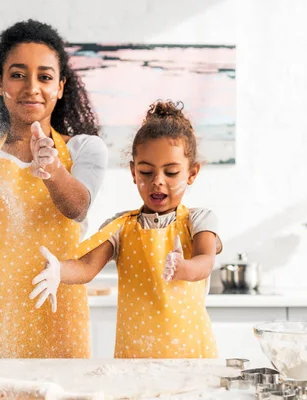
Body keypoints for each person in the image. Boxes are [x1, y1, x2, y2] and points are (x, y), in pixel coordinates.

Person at [0, 19, 108, 358]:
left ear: (61, 87)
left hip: (56, 310)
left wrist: (52, 169)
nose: (31, 87)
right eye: (18, 75)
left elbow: (77, 207)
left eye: (45, 77)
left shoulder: (84, 150)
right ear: (0, 84)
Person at [31, 100, 223, 358]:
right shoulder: (121, 226)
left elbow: (205, 261)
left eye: (171, 172)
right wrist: (59, 270)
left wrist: (183, 268)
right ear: (133, 172)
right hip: (135, 358)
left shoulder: (199, 221)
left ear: (192, 173)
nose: (157, 182)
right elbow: (87, 268)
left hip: (191, 357)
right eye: (146, 171)